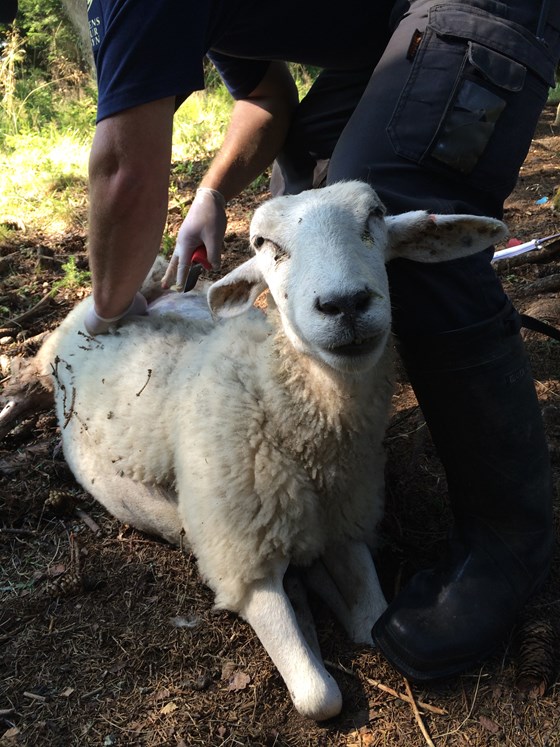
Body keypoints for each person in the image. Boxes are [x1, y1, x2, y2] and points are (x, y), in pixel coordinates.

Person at [85, 0, 560, 682]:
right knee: (306, 195)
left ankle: (507, 541)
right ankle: (315, 454)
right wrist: (214, 194)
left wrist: (108, 308)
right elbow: (266, 97)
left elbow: (123, 170)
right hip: (398, 29)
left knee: (388, 187)